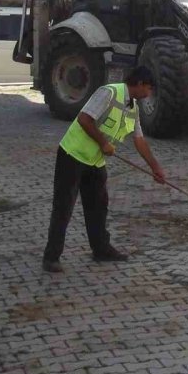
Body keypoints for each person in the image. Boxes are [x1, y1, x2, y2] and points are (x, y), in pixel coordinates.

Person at [42, 66, 165, 273]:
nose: (149, 94)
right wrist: (103, 143)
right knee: (64, 207)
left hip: (95, 161)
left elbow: (139, 140)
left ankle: (101, 249)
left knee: (98, 207)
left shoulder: (132, 108)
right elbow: (84, 119)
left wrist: (155, 168)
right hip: (72, 155)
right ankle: (51, 257)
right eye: (150, 89)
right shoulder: (109, 92)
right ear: (141, 84)